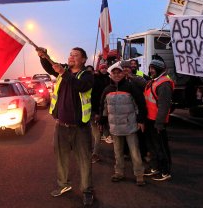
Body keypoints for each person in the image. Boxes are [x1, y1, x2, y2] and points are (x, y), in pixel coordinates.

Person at [36, 47, 94, 207]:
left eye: (76, 55)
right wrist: (43, 56)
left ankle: (87, 191)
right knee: (62, 159)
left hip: (80, 127)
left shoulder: (87, 75)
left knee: (84, 160)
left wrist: (64, 72)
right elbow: (50, 66)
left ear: (83, 59)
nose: (71, 57)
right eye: (70, 54)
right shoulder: (64, 70)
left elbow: (81, 86)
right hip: (61, 125)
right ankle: (63, 185)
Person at [100, 64, 147, 186]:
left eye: (119, 72)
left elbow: (141, 103)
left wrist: (141, 121)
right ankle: (119, 173)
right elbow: (103, 107)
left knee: (135, 152)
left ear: (123, 74)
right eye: (114, 73)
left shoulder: (131, 87)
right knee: (118, 152)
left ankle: (139, 175)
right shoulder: (107, 90)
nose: (116, 75)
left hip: (130, 126)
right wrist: (101, 122)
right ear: (110, 75)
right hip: (115, 128)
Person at [143, 56, 174, 181]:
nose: (151, 70)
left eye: (154, 68)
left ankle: (165, 171)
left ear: (160, 69)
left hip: (157, 122)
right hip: (150, 119)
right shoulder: (154, 81)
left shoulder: (164, 84)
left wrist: (159, 123)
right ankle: (155, 167)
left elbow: (164, 106)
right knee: (153, 146)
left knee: (161, 147)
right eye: (151, 68)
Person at [120, 60, 149, 162]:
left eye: (127, 67)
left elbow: (146, 86)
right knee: (125, 133)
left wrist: (132, 78)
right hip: (125, 112)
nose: (125, 69)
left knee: (140, 134)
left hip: (137, 110)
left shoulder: (138, 78)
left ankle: (144, 154)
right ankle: (125, 153)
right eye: (123, 68)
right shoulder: (120, 81)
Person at [90, 63, 111, 163]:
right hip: (96, 110)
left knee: (106, 129)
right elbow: (93, 97)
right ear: (99, 69)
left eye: (105, 68)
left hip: (107, 108)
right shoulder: (95, 79)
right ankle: (95, 153)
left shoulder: (109, 78)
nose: (104, 69)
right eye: (102, 68)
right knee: (96, 132)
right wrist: (97, 111)